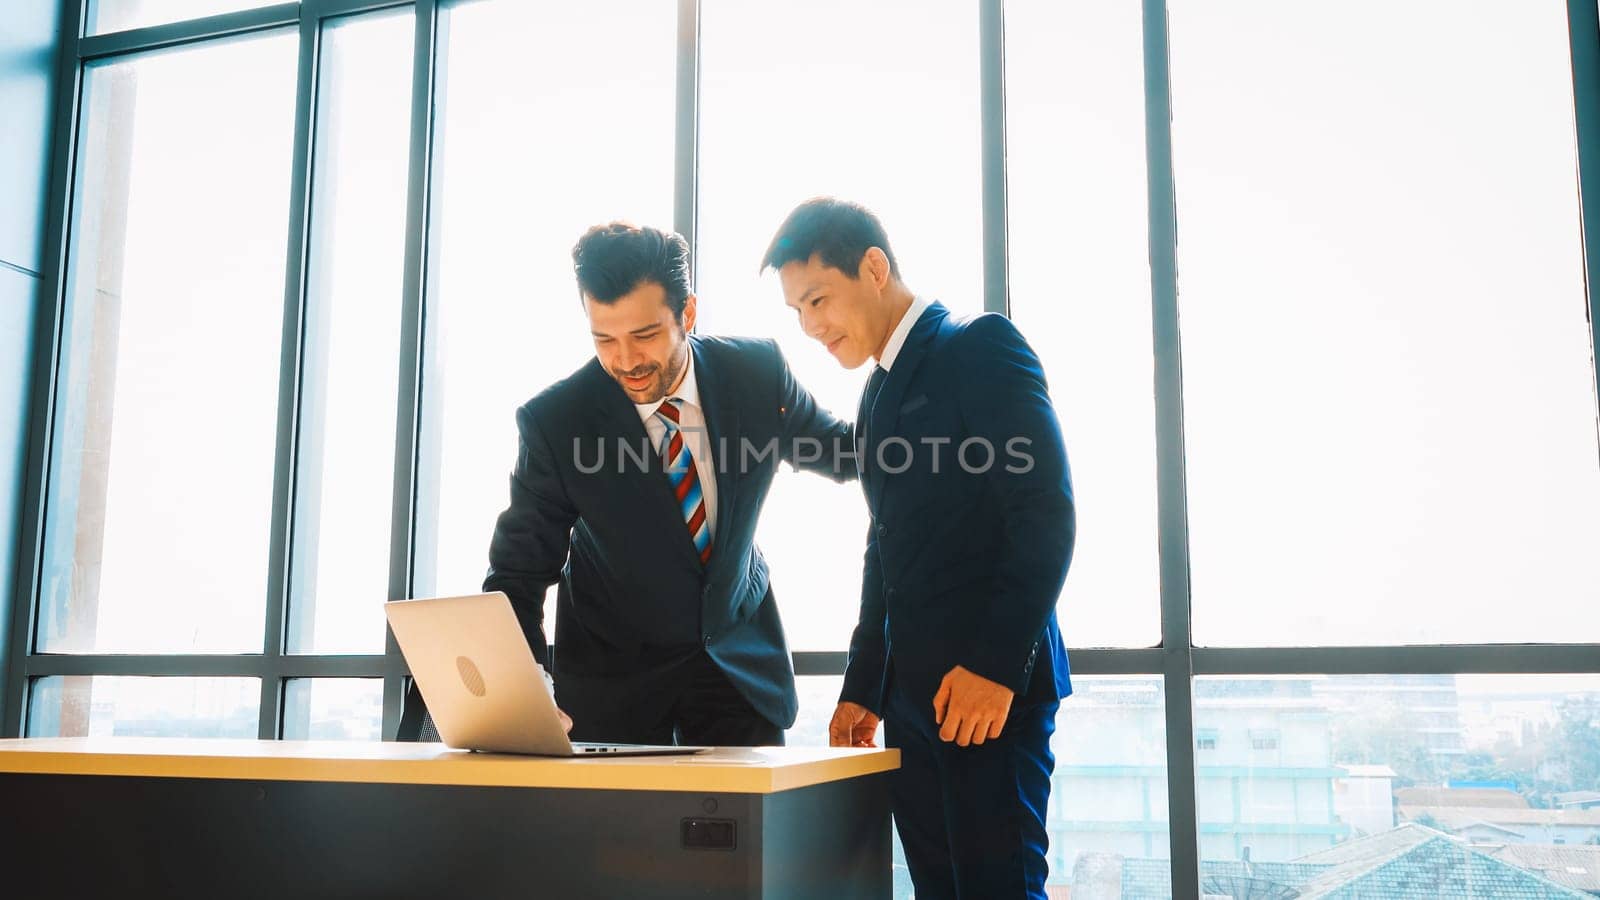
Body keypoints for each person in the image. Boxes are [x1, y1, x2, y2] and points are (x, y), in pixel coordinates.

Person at [408, 221, 853, 746]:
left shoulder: (755, 374)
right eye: (604, 339)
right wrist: (532, 691)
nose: (625, 361)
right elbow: (516, 576)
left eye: (644, 336)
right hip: (613, 694)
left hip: (740, 681)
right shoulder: (558, 422)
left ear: (687, 313)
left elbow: (846, 452)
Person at [763, 198, 1075, 897]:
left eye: (819, 299)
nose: (812, 326)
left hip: (990, 697)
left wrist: (994, 668)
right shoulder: (875, 393)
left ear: (873, 268)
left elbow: (1044, 511)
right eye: (798, 312)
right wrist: (863, 687)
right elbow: (887, 547)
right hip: (913, 705)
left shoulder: (979, 345)